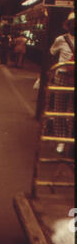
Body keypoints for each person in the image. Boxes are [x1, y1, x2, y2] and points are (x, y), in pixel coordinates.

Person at [49, 11, 75, 154]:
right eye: (73, 23)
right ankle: (61, 140)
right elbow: (52, 54)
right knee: (59, 109)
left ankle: (68, 140)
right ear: (68, 25)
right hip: (62, 77)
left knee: (71, 111)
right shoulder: (61, 39)